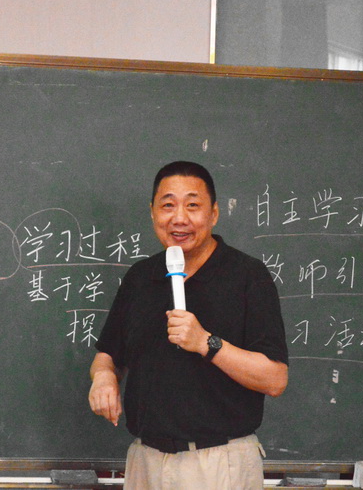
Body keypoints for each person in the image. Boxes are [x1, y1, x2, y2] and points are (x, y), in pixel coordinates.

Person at [88, 161, 289, 489]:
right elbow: (108, 355)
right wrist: (104, 377)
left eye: (192, 205)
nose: (179, 218)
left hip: (219, 464)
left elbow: (275, 379)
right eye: (168, 205)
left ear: (214, 214)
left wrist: (206, 343)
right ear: (152, 212)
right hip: (146, 462)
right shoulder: (140, 278)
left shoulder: (247, 276)